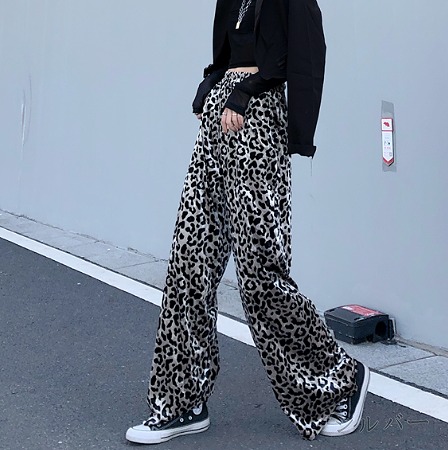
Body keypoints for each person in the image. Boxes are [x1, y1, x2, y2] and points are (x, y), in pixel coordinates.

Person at [126, 0, 370, 444]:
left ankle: (340, 379)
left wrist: (249, 92)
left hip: (258, 123)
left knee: (260, 274)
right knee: (188, 264)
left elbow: (300, 55)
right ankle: (180, 401)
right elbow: (228, 53)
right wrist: (212, 84)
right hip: (218, 123)